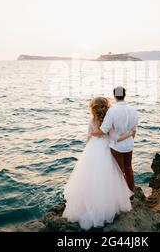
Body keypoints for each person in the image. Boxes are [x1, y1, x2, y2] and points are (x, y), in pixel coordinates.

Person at [62, 97, 134, 230]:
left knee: (89, 176)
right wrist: (129, 134)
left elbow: (89, 136)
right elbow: (114, 137)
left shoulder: (91, 121)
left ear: (93, 109)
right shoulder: (109, 121)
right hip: (106, 148)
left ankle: (86, 204)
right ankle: (107, 205)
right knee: (108, 176)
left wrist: (89, 147)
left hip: (93, 149)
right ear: (106, 107)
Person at [92, 86, 138, 192]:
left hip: (116, 146)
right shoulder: (133, 110)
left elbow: (104, 130)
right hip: (129, 145)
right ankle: (131, 193)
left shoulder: (112, 111)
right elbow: (134, 130)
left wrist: (93, 134)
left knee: (119, 171)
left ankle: (121, 196)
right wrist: (130, 141)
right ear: (124, 95)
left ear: (114, 96)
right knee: (129, 168)